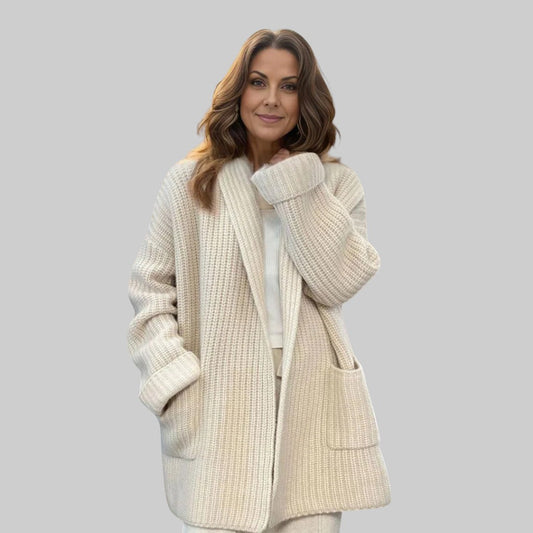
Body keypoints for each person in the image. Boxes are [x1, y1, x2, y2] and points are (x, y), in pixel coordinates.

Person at [127, 28, 391, 533]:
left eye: (289, 86)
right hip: (217, 400)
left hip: (310, 404)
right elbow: (150, 291)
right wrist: (177, 384)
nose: (272, 99)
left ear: (305, 98)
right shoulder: (189, 183)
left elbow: (338, 282)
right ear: (238, 91)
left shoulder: (336, 184)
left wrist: (296, 185)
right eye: (258, 82)